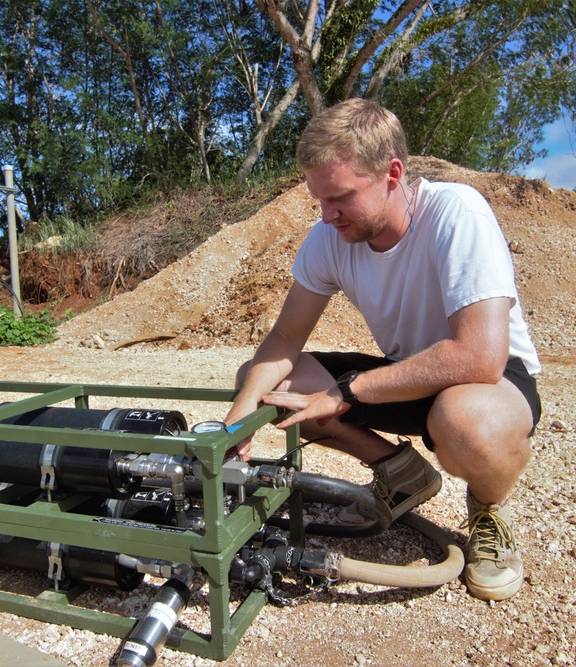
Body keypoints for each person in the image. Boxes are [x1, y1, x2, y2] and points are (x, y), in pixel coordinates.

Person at [224, 98, 542, 601]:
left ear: (392, 173)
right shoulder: (330, 237)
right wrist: (235, 423)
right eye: (319, 201)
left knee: (468, 424)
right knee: (264, 383)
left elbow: (480, 355)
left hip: (487, 382)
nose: (328, 216)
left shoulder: (455, 212)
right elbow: (285, 338)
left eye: (341, 197)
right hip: (406, 375)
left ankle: (486, 508)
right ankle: (401, 473)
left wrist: (346, 392)